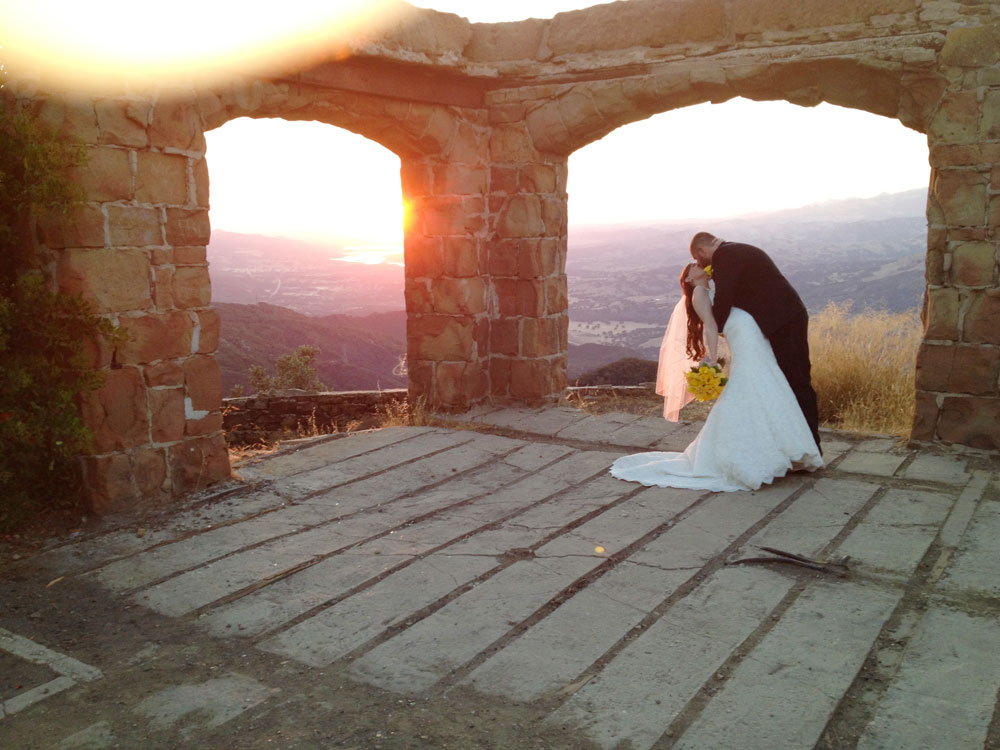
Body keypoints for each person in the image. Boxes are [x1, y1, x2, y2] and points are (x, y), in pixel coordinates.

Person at [610, 258, 822, 492]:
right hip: (746, 345)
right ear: (689, 278)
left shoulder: (713, 290)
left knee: (769, 388)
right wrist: (712, 358)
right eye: (693, 266)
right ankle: (753, 457)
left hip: (753, 341)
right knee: (752, 388)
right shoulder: (699, 292)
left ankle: (784, 451)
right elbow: (711, 326)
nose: (699, 264)